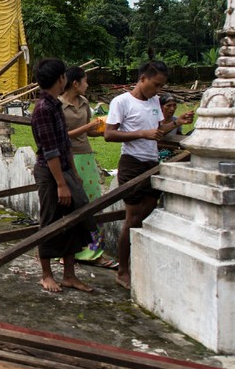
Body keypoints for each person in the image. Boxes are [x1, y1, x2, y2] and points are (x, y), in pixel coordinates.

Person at [104, 61, 193, 290]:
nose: (158, 90)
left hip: (152, 164)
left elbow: (157, 132)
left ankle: (138, 262)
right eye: (155, 84)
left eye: (161, 86)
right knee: (132, 219)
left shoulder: (154, 101)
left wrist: (176, 123)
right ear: (142, 79)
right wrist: (140, 133)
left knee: (147, 216)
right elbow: (109, 134)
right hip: (132, 164)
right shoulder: (121, 102)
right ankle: (123, 270)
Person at [30, 58, 95, 293]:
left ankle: (69, 275)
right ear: (61, 79)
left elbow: (64, 143)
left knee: (73, 221)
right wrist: (60, 183)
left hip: (65, 169)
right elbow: (50, 150)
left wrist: (73, 175)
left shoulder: (55, 105)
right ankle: (46, 275)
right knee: (50, 222)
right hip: (50, 173)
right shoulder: (43, 109)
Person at [60, 66, 116, 268]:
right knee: (69, 206)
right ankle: (68, 251)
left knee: (93, 203)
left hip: (85, 156)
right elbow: (61, 136)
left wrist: (103, 131)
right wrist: (87, 127)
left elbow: (86, 133)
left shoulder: (84, 103)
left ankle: (94, 252)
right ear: (75, 83)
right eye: (85, 81)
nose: (87, 84)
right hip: (67, 158)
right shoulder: (58, 106)